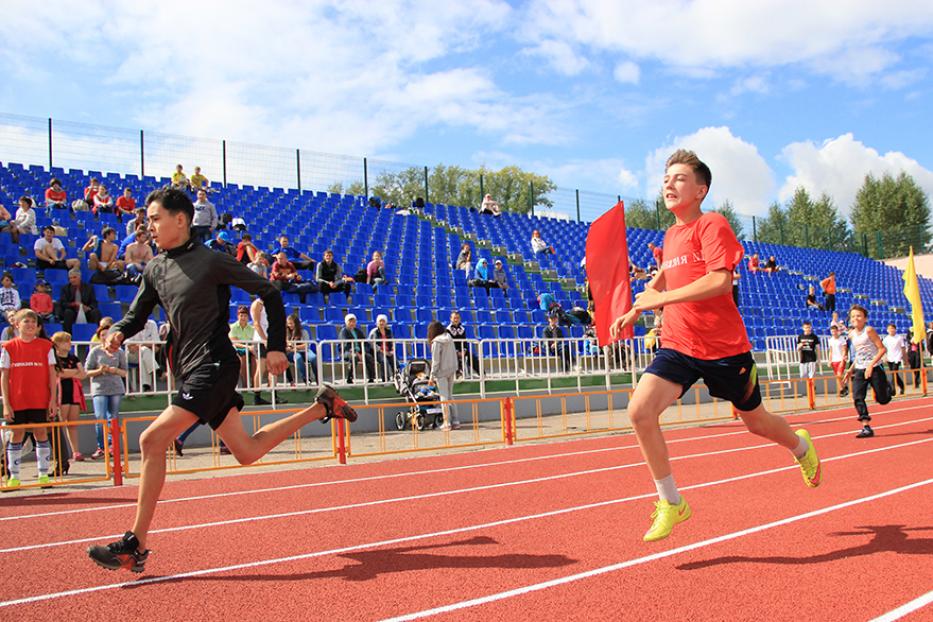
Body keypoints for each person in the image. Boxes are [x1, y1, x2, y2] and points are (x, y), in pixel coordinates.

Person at [85, 187, 357, 572]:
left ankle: (135, 543)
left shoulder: (211, 261)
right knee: (245, 451)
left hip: (214, 365)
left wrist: (274, 346)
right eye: (148, 219)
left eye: (156, 218)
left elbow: (269, 293)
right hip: (190, 369)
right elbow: (137, 313)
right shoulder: (156, 269)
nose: (150, 226)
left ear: (181, 219)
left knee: (151, 439)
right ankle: (321, 406)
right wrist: (120, 333)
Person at [609, 149, 821, 542]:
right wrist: (640, 306)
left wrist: (660, 300)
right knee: (639, 411)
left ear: (700, 189)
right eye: (666, 178)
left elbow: (719, 281)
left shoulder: (711, 224)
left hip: (724, 349)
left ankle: (799, 445)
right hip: (678, 345)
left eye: (679, 178)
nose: (669, 184)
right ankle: (671, 502)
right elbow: (665, 276)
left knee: (755, 422)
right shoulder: (671, 235)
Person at [1, 309, 58, 489]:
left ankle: (43, 475)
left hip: (40, 399)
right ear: (16, 325)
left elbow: (51, 375)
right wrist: (6, 403)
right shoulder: (8, 347)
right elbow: (4, 376)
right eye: (26, 322)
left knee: (40, 433)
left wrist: (52, 400)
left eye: (33, 322)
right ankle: (14, 476)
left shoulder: (46, 346)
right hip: (17, 400)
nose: (30, 325)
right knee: (16, 435)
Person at [842, 305, 890, 438]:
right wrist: (850, 369)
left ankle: (887, 387)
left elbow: (882, 349)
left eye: (858, 316)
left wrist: (871, 365)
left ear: (865, 318)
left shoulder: (869, 330)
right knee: (857, 396)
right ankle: (866, 426)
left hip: (875, 368)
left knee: (883, 399)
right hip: (860, 368)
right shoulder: (851, 334)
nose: (855, 318)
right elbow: (859, 353)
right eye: (852, 316)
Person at [84, 328, 127, 459]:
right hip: (99, 388)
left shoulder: (120, 352)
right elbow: (86, 371)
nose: (113, 348)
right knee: (100, 417)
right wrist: (99, 371)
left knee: (113, 417)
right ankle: (101, 446)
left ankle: (112, 445)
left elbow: (124, 372)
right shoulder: (95, 351)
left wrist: (115, 370)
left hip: (115, 388)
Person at [52, 331, 87, 462]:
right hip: (60, 392)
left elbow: (83, 374)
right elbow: (58, 373)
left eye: (69, 341)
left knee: (73, 424)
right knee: (60, 423)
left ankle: (75, 451)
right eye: (65, 341)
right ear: (57, 344)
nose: (69, 344)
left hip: (73, 392)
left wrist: (69, 373)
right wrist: (74, 372)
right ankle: (61, 453)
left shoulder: (74, 357)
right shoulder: (54, 358)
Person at [427, 320, 460, 430]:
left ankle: (447, 422)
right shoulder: (449, 338)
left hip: (441, 372)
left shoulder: (436, 342)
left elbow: (436, 361)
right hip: (451, 369)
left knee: (444, 397)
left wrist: (432, 376)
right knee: (450, 395)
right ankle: (456, 421)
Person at [58, 268, 102, 335]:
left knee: (96, 312)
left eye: (74, 277)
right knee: (68, 312)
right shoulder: (65, 288)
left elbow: (94, 302)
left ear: (80, 277)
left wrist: (88, 308)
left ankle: (97, 334)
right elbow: (63, 303)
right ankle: (68, 335)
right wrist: (74, 304)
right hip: (72, 311)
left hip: (86, 311)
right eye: (70, 278)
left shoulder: (89, 288)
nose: (72, 280)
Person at [125, 318, 160, 393]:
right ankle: (158, 372)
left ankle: (146, 387)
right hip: (131, 354)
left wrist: (140, 344)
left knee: (144, 354)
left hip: (145, 354)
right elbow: (128, 343)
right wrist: (146, 344)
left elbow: (156, 342)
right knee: (145, 351)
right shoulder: (130, 324)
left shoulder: (152, 324)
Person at [339, 313, 374, 383]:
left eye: (353, 321)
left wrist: (364, 351)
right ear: (346, 322)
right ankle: (349, 377)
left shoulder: (358, 331)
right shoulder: (344, 331)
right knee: (354, 357)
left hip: (360, 352)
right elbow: (346, 345)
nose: (352, 323)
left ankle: (371, 377)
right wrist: (357, 353)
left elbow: (365, 343)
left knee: (369, 357)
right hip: (347, 352)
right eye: (350, 321)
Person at [229, 305, 256, 390]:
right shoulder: (232, 327)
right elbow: (235, 342)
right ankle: (245, 385)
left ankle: (255, 384)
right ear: (238, 316)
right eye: (241, 315)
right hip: (237, 349)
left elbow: (253, 341)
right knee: (243, 357)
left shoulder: (251, 329)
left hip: (249, 348)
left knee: (256, 357)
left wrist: (251, 348)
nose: (243, 318)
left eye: (245, 316)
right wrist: (247, 347)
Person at [446, 310, 479, 378]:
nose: (456, 320)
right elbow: (449, 342)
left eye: (457, 318)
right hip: (451, 350)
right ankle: (458, 374)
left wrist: (464, 350)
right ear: (451, 319)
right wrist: (457, 352)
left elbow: (464, 342)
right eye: (454, 318)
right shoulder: (448, 330)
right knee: (455, 356)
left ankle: (481, 373)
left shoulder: (462, 329)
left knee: (472, 356)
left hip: (462, 350)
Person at [285, 313, 315, 385]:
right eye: (288, 323)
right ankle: (306, 379)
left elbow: (306, 345)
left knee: (313, 357)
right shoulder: (286, 333)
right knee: (298, 358)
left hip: (304, 351)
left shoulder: (303, 332)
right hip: (292, 353)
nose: (290, 325)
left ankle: (317, 378)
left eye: (291, 323)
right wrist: (289, 348)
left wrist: (295, 347)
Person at [368, 314, 396, 382]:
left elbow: (392, 342)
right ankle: (386, 379)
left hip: (388, 351)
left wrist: (392, 350)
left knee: (395, 362)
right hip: (378, 352)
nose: (382, 323)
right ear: (377, 322)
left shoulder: (389, 331)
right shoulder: (374, 332)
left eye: (383, 321)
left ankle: (397, 378)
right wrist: (382, 351)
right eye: (380, 321)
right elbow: (372, 344)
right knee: (384, 361)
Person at [882, 323, 907, 396]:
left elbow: (903, 348)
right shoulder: (886, 339)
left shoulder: (899, 338)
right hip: (890, 358)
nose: (891, 330)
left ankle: (893, 390)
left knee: (893, 373)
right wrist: (884, 356)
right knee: (894, 374)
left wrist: (904, 358)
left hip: (897, 357)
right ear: (887, 330)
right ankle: (902, 386)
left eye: (892, 328)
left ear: (895, 329)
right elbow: (884, 348)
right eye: (890, 329)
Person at [827, 324, 850, 398]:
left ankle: (842, 389)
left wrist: (843, 358)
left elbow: (844, 349)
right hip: (834, 360)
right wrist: (829, 360)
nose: (834, 333)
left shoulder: (842, 339)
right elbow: (831, 351)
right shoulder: (830, 340)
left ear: (837, 331)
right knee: (837, 376)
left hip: (840, 359)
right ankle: (843, 388)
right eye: (832, 331)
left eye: (835, 331)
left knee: (839, 374)